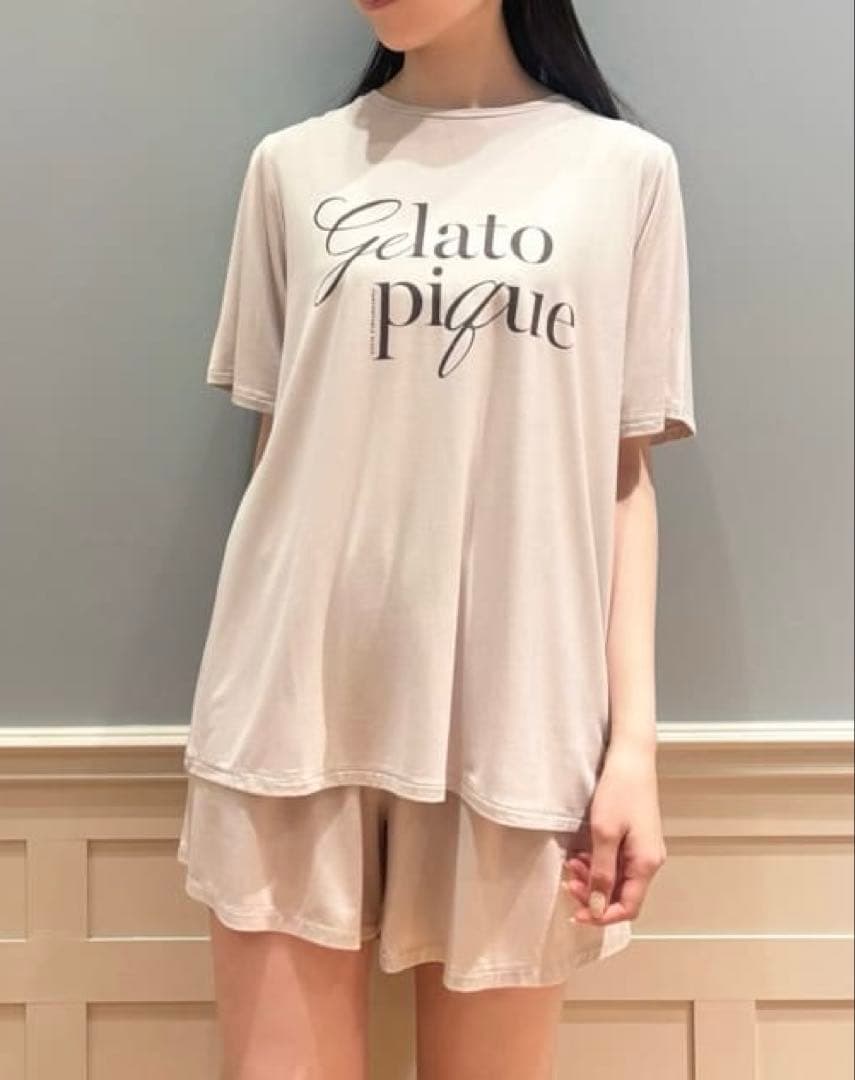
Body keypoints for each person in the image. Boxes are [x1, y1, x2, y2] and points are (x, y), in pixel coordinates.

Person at [177, 0, 698, 1076]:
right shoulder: (292, 168)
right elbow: (282, 454)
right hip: (292, 706)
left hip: (516, 716)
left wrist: (632, 752)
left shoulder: (625, 173)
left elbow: (621, 479)